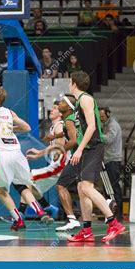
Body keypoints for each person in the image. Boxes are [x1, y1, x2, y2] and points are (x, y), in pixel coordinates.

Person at [0, 87, 52, 231]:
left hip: (1, 154)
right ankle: (39, 210)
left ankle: (18, 219)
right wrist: (10, 130)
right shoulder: (9, 112)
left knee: (0, 189)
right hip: (17, 153)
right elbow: (27, 127)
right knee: (21, 186)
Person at [67, 71, 124, 242]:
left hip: (93, 148)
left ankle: (113, 223)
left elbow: (91, 127)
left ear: (74, 83)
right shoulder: (79, 102)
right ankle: (86, 230)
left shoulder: (85, 98)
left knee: (87, 188)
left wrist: (79, 149)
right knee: (81, 188)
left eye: (70, 81)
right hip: (87, 149)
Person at [25, 102, 68, 220]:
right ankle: (48, 207)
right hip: (57, 165)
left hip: (59, 166)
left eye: (55, 108)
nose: (52, 110)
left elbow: (60, 144)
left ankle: (19, 215)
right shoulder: (55, 126)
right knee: (33, 187)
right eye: (52, 108)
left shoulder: (59, 125)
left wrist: (40, 154)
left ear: (61, 113)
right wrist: (39, 154)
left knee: (27, 179)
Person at [55, 95, 82, 231]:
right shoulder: (71, 119)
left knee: (61, 185)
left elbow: (73, 141)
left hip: (78, 157)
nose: (59, 103)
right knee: (84, 188)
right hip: (82, 156)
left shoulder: (69, 120)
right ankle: (108, 210)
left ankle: (72, 219)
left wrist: (60, 151)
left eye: (62, 102)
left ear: (69, 107)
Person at [99, 107, 123, 221]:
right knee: (107, 188)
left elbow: (109, 139)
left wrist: (96, 134)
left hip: (113, 160)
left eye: (102, 116)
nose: (101, 119)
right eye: (99, 117)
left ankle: (118, 214)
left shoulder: (112, 125)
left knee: (114, 187)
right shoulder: (105, 125)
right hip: (106, 159)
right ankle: (109, 213)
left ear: (108, 114)